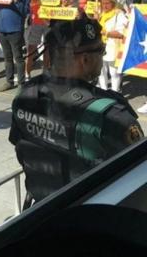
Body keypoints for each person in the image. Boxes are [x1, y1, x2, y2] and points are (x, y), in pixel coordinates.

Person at [9, 17, 143, 204]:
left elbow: (20, 147)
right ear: (85, 59)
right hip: (90, 220)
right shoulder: (110, 116)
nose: (102, 56)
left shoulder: (26, 95)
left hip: (40, 213)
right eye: (101, 51)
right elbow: (139, 177)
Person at [26, 0, 61, 78]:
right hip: (36, 22)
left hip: (50, 23)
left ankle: (46, 73)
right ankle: (27, 74)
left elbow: (60, 5)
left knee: (47, 49)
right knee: (31, 48)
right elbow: (30, 6)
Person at [94, 0, 128, 93]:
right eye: (102, 3)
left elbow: (121, 34)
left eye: (107, 3)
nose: (104, 5)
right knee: (101, 71)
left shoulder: (119, 14)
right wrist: (95, 20)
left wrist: (106, 33)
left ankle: (115, 94)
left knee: (114, 73)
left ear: (113, 2)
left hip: (113, 47)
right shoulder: (100, 13)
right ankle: (103, 92)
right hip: (100, 46)